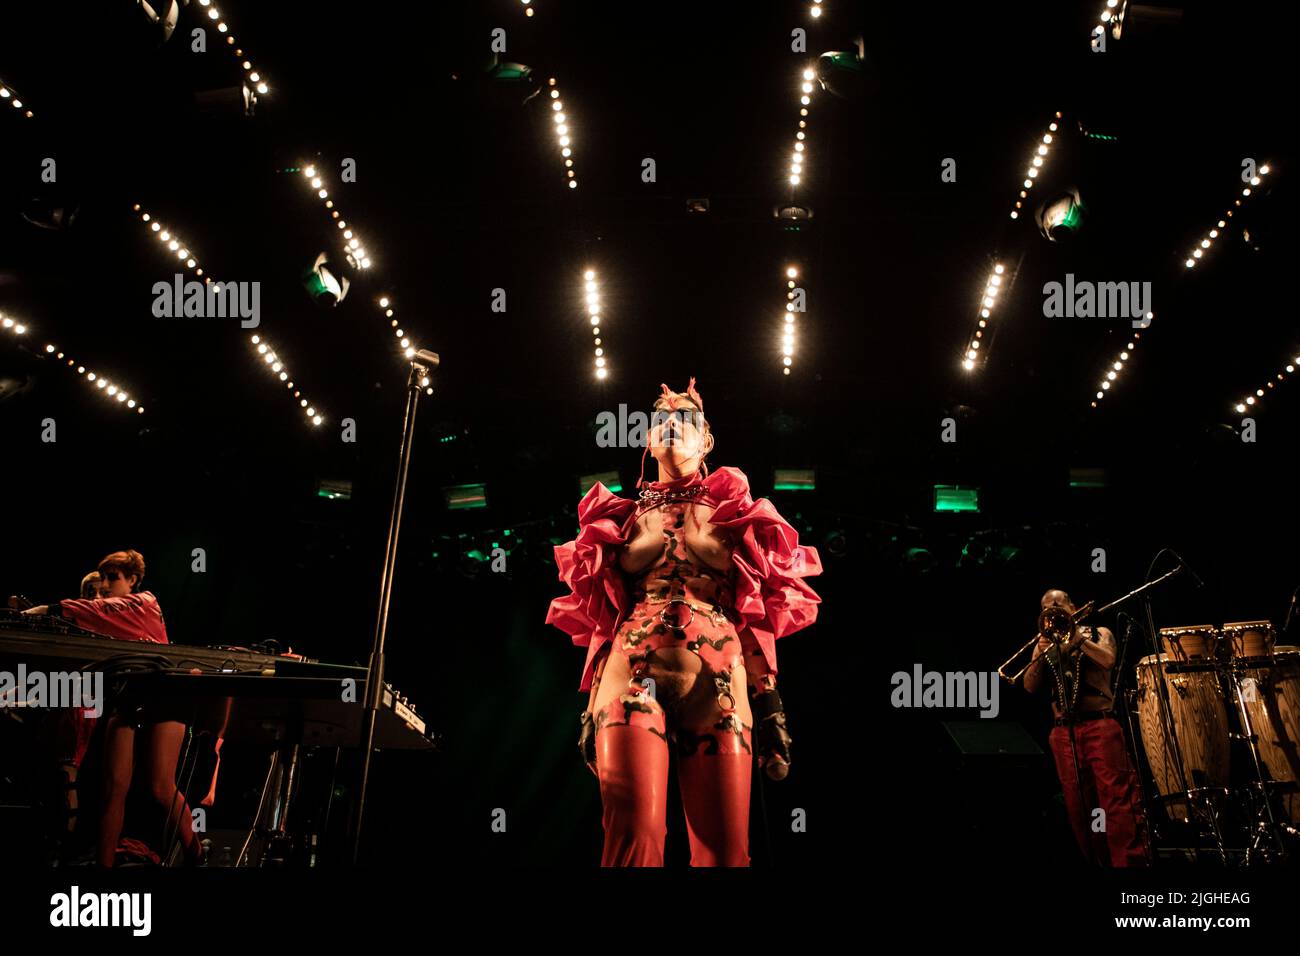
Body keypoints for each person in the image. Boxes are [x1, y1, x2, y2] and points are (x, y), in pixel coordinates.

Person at [546, 378, 821, 866]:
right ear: (648, 440)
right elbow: (603, 621)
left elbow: (753, 615)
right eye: (661, 421)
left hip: (718, 683)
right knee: (634, 836)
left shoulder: (738, 518)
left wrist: (772, 705)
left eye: (687, 419)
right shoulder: (618, 522)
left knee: (725, 851)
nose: (672, 424)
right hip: (631, 679)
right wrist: (590, 705)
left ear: (707, 441)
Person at [23, 550, 206, 866]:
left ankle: (197, 856)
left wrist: (49, 609)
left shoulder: (144, 602)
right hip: (130, 699)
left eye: (113, 578)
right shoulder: (106, 613)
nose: (105, 585)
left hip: (166, 697)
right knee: (113, 789)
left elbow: (101, 609)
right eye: (103, 577)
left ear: (132, 580)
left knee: (160, 785)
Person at [1023, 588, 1149, 866]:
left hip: (1099, 726)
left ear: (1073, 606)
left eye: (1058, 603)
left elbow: (1108, 660)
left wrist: (1077, 639)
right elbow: (1030, 687)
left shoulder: (1098, 633)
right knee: (1080, 809)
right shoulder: (1045, 644)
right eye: (1046, 606)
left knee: (1118, 804)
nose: (1053, 607)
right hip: (1062, 733)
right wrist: (1037, 651)